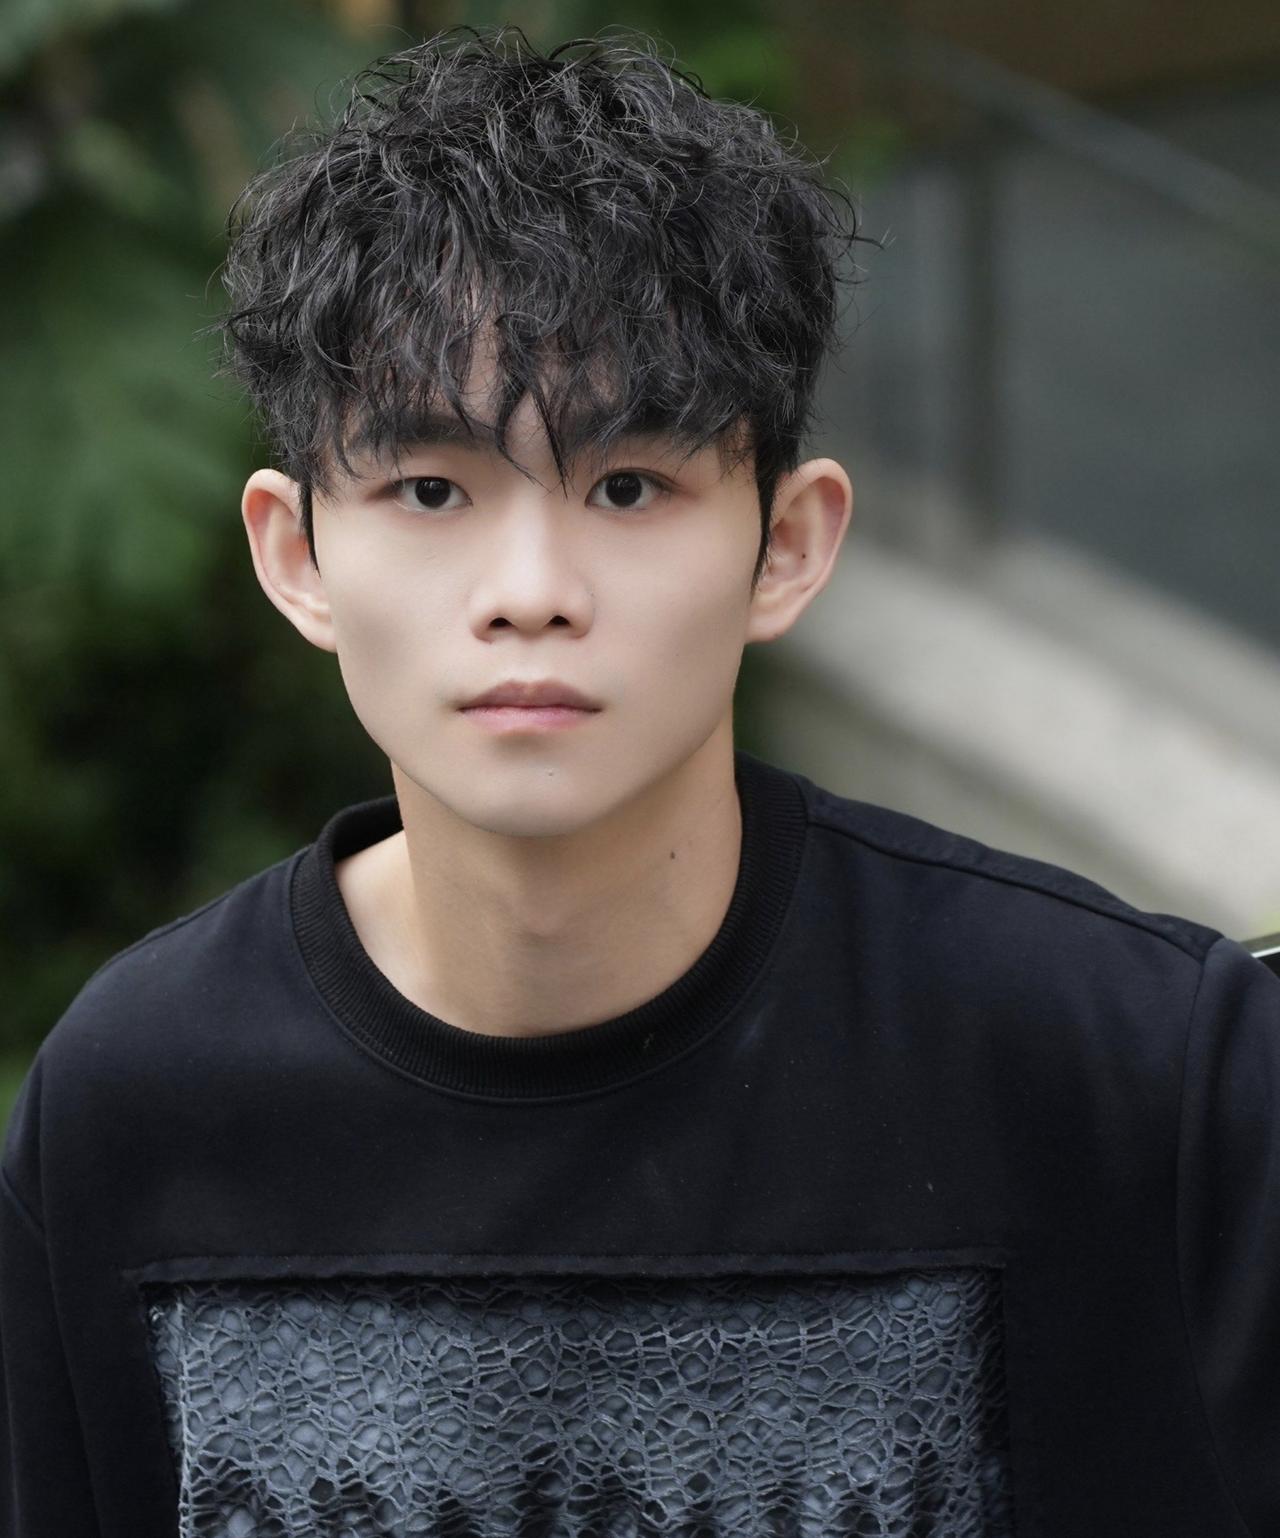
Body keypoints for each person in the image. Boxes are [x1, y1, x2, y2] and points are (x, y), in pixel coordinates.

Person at [1, 25, 1276, 1538]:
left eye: (628, 485)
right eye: (429, 488)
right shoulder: (134, 1105)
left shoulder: (1136, 1071)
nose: (531, 592)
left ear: (785, 544)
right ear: (298, 555)